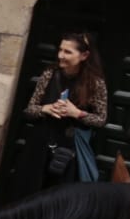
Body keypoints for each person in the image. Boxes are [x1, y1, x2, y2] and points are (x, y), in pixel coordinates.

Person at [22, 31, 108, 188]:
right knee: (30, 190)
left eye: (67, 52)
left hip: (68, 151)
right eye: (60, 50)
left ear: (84, 55)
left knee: (57, 195)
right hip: (40, 144)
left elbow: (101, 120)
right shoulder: (50, 73)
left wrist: (76, 113)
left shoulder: (95, 83)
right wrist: (45, 109)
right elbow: (29, 110)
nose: (61, 55)